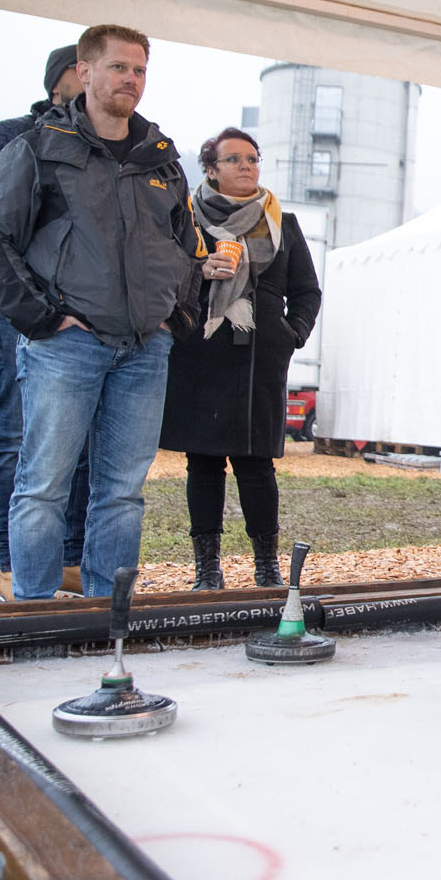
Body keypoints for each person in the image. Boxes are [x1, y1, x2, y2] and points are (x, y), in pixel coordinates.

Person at [0, 24, 198, 600]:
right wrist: (43, 318)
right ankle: (34, 614)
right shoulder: (36, 148)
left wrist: (175, 316)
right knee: (43, 485)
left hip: (144, 349)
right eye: (119, 67)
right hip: (67, 344)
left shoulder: (162, 160)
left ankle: (108, 617)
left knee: (122, 493)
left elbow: (187, 248)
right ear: (84, 71)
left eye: (139, 70)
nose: (131, 79)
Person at [159, 127, 321, 590]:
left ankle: (266, 566)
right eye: (234, 159)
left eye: (252, 158)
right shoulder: (186, 219)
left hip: (259, 359)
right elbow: (163, 275)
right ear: (211, 169)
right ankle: (207, 568)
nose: (247, 166)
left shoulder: (281, 222)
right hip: (200, 352)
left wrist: (291, 334)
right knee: (203, 464)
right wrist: (199, 270)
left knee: (256, 465)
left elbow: (307, 290)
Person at [0, 44, 90, 600]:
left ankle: (71, 561)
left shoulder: (109, 147)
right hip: (25, 308)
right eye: (85, 69)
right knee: (18, 432)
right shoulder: (13, 135)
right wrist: (54, 238)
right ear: (60, 81)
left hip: (89, 315)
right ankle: (14, 565)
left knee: (81, 440)